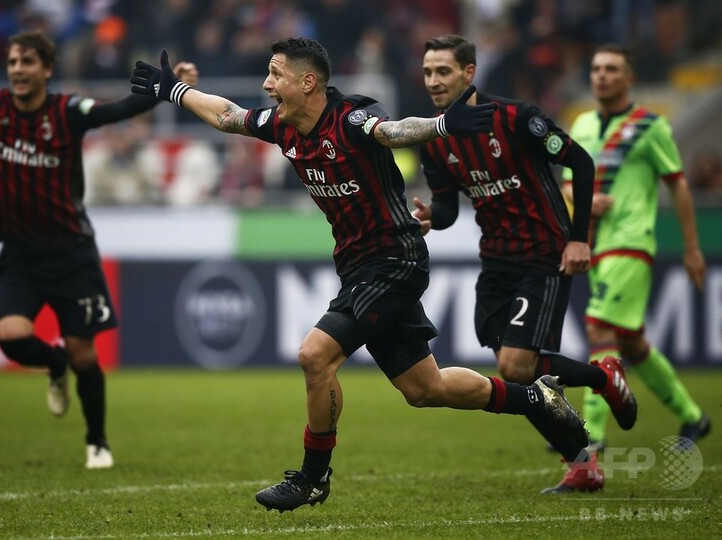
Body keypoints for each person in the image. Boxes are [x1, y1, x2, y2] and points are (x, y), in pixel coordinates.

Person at [130, 37, 588, 512]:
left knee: (314, 356)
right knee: (424, 389)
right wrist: (176, 92)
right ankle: (536, 399)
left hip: (394, 261)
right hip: (357, 267)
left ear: (308, 82)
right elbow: (228, 115)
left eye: (275, 74)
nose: (266, 85)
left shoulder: (350, 118)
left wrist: (440, 125)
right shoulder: (283, 126)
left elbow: (393, 132)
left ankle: (312, 477)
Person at [0, 30, 198, 469]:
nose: (18, 70)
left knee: (86, 355)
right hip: (20, 254)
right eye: (12, 62)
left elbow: (117, 110)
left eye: (27, 62)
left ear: (47, 69)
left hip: (72, 254)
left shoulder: (66, 111)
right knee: (10, 337)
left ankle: (97, 440)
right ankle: (54, 363)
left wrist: (170, 90)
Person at [411, 34, 638, 494]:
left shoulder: (516, 119)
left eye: (443, 71)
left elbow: (581, 163)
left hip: (544, 253)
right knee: (525, 372)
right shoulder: (433, 140)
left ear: (469, 73)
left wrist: (578, 239)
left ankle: (602, 381)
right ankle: (584, 462)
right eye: (428, 72)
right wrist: (432, 216)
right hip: (496, 259)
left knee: (517, 367)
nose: (433, 81)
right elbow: (449, 205)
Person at [563, 43, 710, 449]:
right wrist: (583, 198)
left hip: (630, 241)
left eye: (611, 69)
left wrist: (692, 248)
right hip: (594, 244)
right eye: (596, 68)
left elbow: (678, 184)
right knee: (631, 342)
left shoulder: (650, 127)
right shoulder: (582, 125)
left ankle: (591, 433)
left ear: (629, 78)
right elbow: (567, 184)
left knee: (598, 327)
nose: (601, 75)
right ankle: (693, 416)